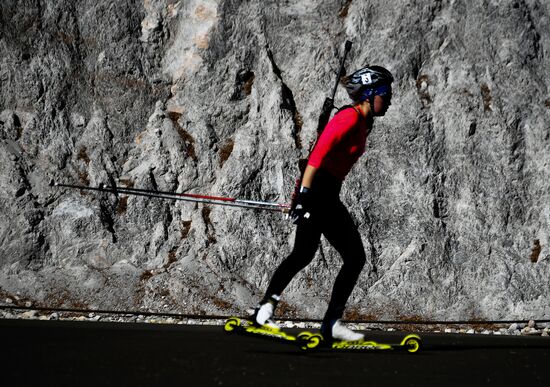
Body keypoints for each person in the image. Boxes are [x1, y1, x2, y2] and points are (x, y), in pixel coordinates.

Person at [253, 65, 394, 341]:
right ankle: (330, 323)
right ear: (370, 94)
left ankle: (264, 310)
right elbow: (318, 155)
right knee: (354, 257)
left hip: (326, 191)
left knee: (303, 254)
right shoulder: (350, 118)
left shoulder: (363, 121)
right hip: (319, 191)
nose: (389, 99)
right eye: (386, 94)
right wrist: (303, 194)